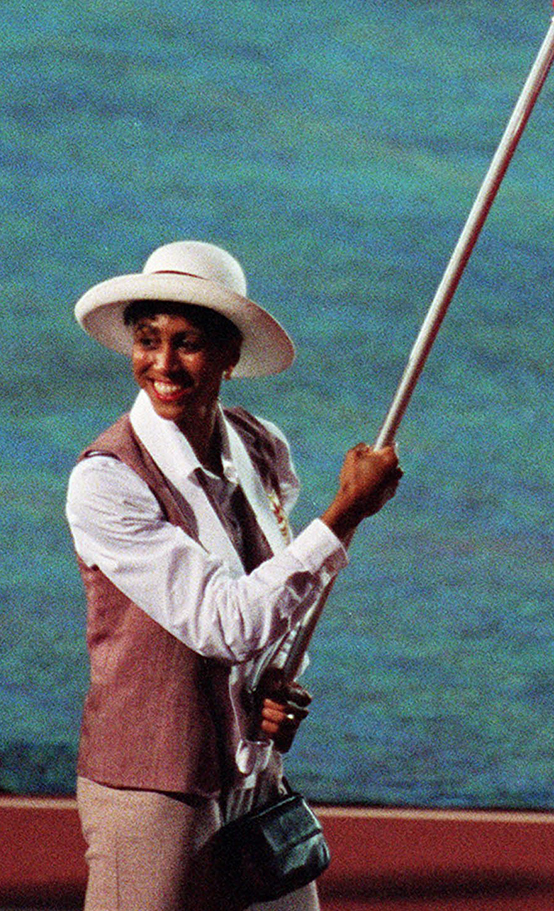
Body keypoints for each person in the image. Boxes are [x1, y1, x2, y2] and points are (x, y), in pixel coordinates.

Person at [65, 240, 402, 910]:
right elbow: (226, 622)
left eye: (187, 343)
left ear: (229, 354)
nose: (161, 364)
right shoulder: (106, 481)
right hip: (154, 786)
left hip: (254, 776)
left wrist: (280, 683)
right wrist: (346, 514)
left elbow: (277, 596)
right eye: (147, 340)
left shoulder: (259, 444)